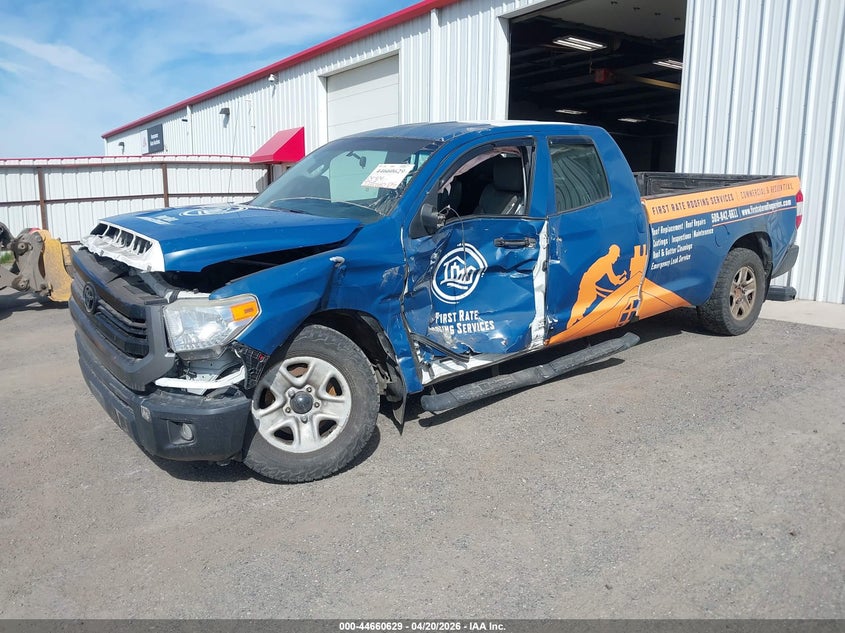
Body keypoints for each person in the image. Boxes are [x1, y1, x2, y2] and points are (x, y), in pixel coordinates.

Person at [567, 244, 629, 329]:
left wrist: (620, 278)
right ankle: (572, 322)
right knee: (584, 300)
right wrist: (621, 280)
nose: (617, 258)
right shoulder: (606, 262)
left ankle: (578, 317)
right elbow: (613, 280)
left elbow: (613, 278)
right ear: (612, 254)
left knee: (590, 298)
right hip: (588, 281)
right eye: (616, 256)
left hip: (589, 281)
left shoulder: (605, 260)